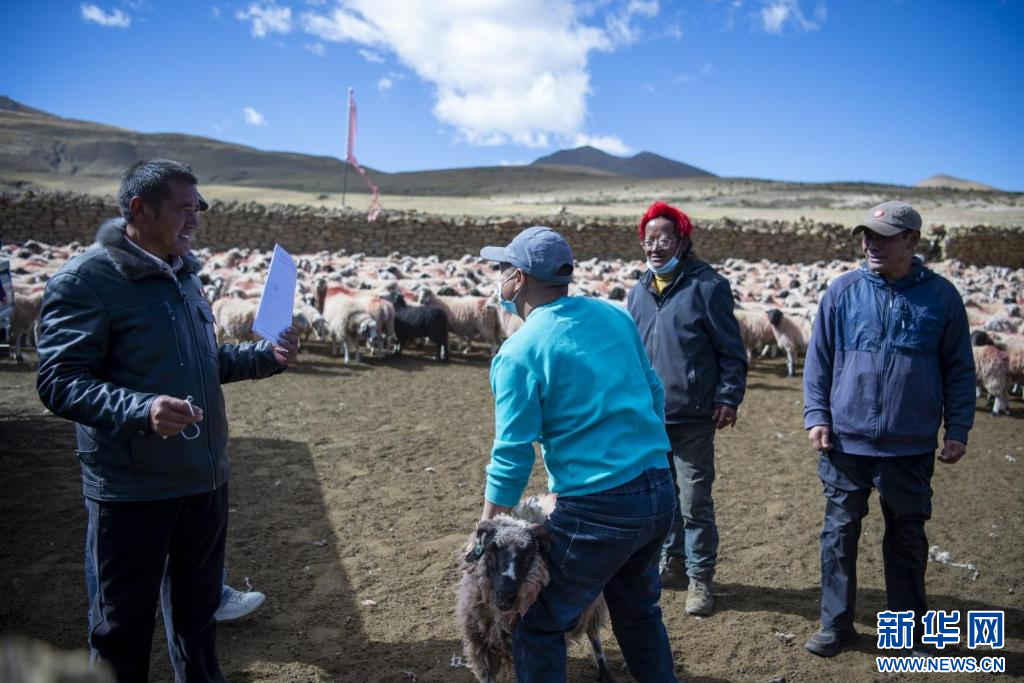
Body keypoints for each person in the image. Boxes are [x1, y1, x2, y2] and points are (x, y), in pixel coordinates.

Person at [36, 159, 299, 681]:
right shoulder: (87, 281)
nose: (195, 221)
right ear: (139, 209)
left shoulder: (185, 277)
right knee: (121, 629)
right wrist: (141, 410)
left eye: (197, 209)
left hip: (203, 481)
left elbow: (204, 363)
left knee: (197, 621)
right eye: (183, 209)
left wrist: (264, 357)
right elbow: (59, 380)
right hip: (132, 489)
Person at [478, 226, 678, 682]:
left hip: (598, 508)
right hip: (658, 488)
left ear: (518, 279)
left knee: (539, 624)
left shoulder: (519, 352)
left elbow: (512, 453)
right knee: (639, 611)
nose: (500, 278)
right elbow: (653, 391)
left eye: (504, 268)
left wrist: (487, 528)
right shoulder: (613, 317)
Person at [802, 201, 975, 658]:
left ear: (912, 240)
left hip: (909, 443)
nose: (870, 244)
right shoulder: (842, 292)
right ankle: (835, 625)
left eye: (882, 237)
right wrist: (817, 416)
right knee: (838, 535)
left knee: (907, 538)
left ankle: (907, 632)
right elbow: (818, 361)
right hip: (847, 441)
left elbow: (959, 368)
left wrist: (958, 427)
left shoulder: (941, 297)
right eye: (866, 236)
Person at [626, 201, 748, 617]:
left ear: (682, 240)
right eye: (649, 239)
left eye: (664, 238)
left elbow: (731, 350)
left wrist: (728, 397)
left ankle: (701, 578)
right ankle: (672, 562)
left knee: (694, 501)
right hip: (649, 417)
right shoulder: (639, 290)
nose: (655, 246)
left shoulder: (707, 287)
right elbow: (634, 353)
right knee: (662, 499)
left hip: (693, 415)